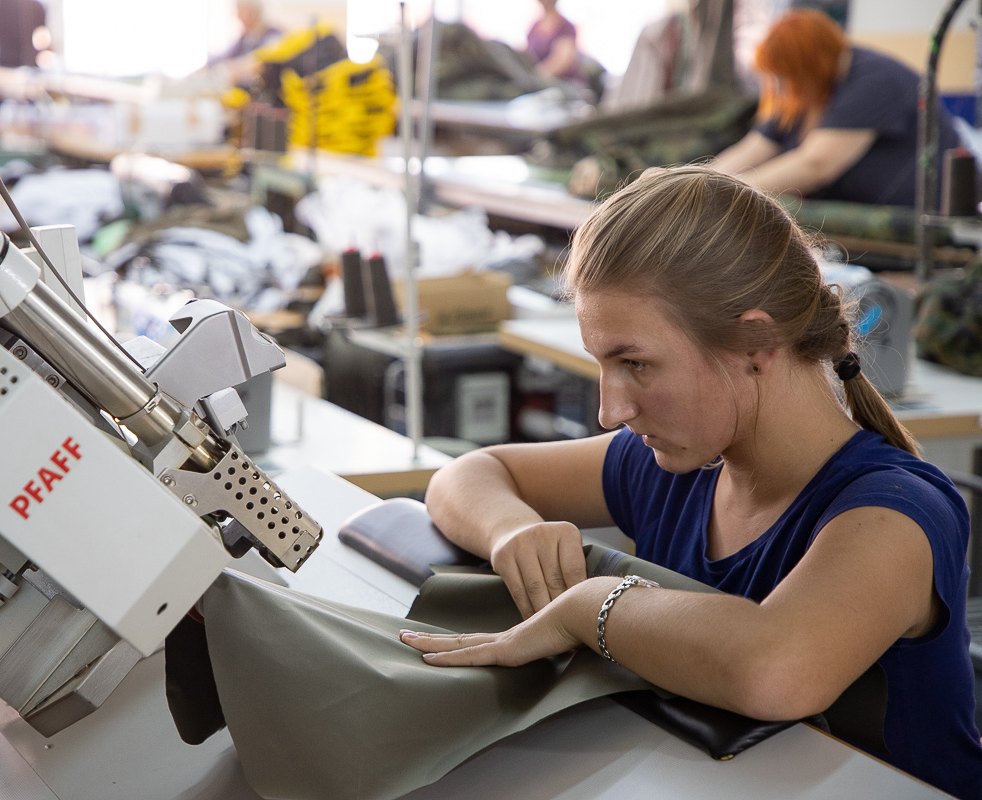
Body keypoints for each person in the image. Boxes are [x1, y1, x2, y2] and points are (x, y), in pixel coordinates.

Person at [399, 166, 982, 799]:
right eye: (604, 365)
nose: (609, 411)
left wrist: (589, 607)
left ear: (755, 343)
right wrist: (513, 529)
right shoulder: (674, 464)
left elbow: (774, 668)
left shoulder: (894, 513)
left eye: (636, 364)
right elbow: (472, 475)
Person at [709, 8, 959, 206]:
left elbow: (817, 165)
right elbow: (755, 147)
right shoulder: (802, 89)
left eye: (785, 77)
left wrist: (727, 192)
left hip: (915, 221)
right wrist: (699, 182)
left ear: (810, 66)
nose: (780, 88)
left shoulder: (876, 80)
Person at [525, 0, 586, 84]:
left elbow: (562, 60)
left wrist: (538, 75)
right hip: (539, 83)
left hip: (563, 82)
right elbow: (527, 56)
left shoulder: (566, 27)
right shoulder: (535, 26)